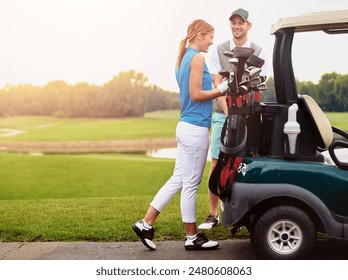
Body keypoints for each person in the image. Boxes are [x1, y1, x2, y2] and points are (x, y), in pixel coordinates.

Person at [132, 19, 229, 251]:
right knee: (191, 185)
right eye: (209, 37)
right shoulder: (197, 58)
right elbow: (196, 94)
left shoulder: (183, 58)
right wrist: (220, 90)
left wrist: (215, 83)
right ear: (198, 35)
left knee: (178, 179)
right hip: (195, 129)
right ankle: (192, 236)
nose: (211, 41)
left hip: (185, 127)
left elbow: (192, 90)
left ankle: (145, 224)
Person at [198, 8, 267, 230]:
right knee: (218, 161)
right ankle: (212, 214)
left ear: (248, 26)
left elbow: (257, 87)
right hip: (222, 115)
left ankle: (240, 211)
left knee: (243, 162)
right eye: (233, 23)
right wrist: (231, 116)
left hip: (247, 117)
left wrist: (242, 115)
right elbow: (219, 86)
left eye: (241, 23)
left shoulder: (258, 50)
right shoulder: (219, 50)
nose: (237, 26)